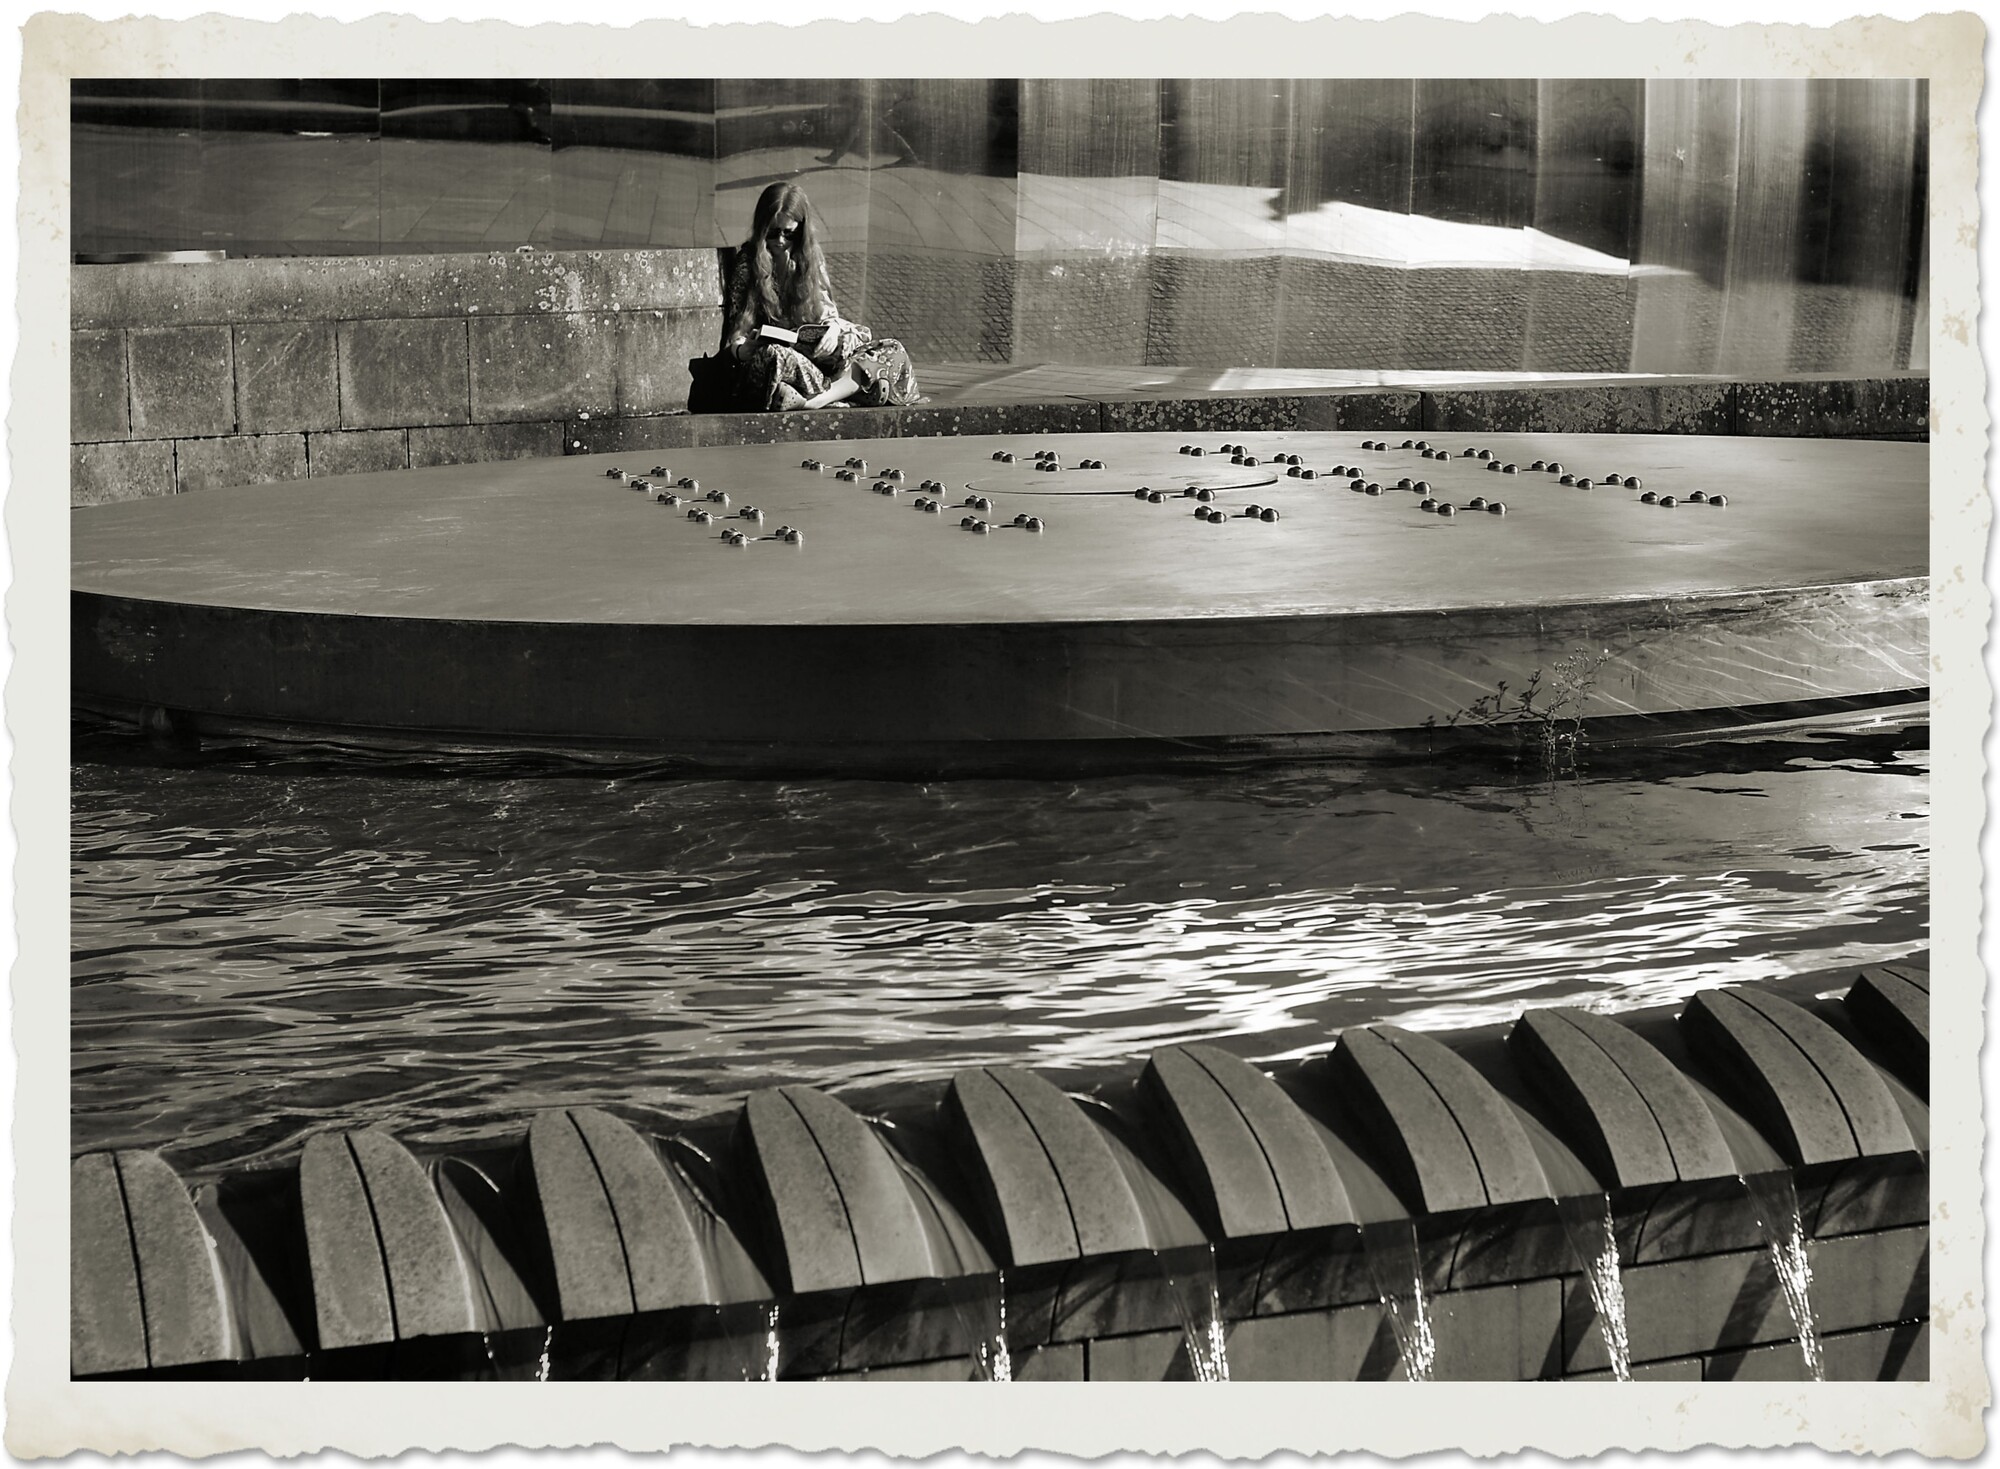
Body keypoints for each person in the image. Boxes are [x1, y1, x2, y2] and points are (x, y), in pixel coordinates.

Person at [722, 181, 920, 412]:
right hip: (783, 360)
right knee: (775, 356)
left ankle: (818, 399)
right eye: (773, 233)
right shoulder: (748, 264)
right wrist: (741, 350)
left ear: (801, 230)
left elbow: (827, 313)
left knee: (891, 348)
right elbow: (737, 332)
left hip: (816, 360)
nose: (781, 241)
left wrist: (832, 330)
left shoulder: (809, 258)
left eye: (789, 233)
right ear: (762, 228)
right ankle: (852, 390)